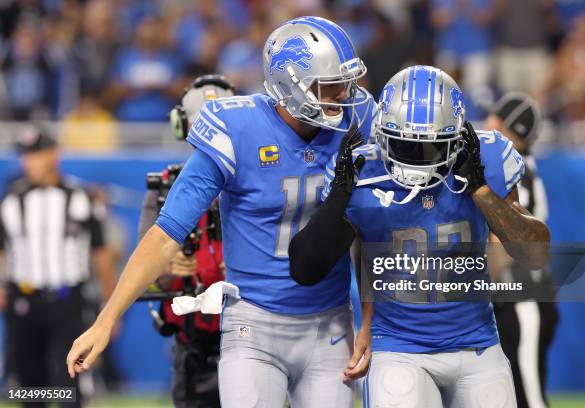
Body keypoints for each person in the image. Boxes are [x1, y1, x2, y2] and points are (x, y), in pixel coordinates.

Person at [67, 16, 375, 408]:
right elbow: (166, 234)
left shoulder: (359, 120)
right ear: (290, 83)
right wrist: (105, 321)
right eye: (330, 86)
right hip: (254, 326)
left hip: (330, 324)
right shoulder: (237, 127)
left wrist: (369, 321)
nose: (344, 96)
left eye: (346, 83)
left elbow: (368, 231)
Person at [289, 65, 551, 407]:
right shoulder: (363, 169)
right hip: (399, 347)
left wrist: (482, 191)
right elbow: (322, 263)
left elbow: (536, 254)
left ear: (456, 138)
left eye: (430, 147)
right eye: (403, 144)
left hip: (477, 345)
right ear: (382, 131)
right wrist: (367, 322)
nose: (415, 159)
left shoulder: (485, 156)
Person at [0, 127, 116, 407]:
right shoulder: (11, 200)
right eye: (26, 156)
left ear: (54, 155)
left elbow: (101, 254)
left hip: (69, 302)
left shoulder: (82, 198)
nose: (29, 162)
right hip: (24, 300)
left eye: (36, 154)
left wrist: (111, 307)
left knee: (70, 385)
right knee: (28, 386)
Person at [139, 74, 234, 408]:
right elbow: (146, 278)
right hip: (193, 340)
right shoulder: (165, 188)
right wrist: (167, 267)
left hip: (253, 337)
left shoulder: (257, 182)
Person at [485, 92, 559, 408]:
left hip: (522, 298)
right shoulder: (516, 167)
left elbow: (509, 237)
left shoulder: (516, 173)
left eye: (496, 119)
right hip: (513, 299)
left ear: (506, 127)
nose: (488, 123)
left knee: (529, 399)